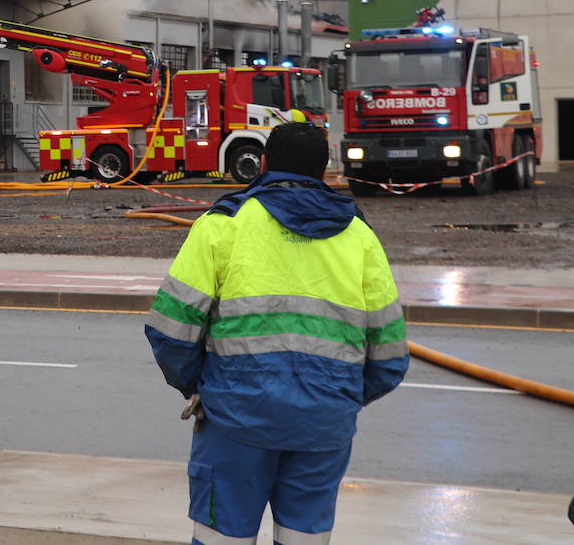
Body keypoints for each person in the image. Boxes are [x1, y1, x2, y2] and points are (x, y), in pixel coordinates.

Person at [144, 122, 408, 545]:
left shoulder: (223, 225)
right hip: (323, 427)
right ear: (325, 171)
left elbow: (171, 332)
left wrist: (201, 387)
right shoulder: (360, 237)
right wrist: (337, 398)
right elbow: (390, 356)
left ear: (263, 164)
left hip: (235, 420)